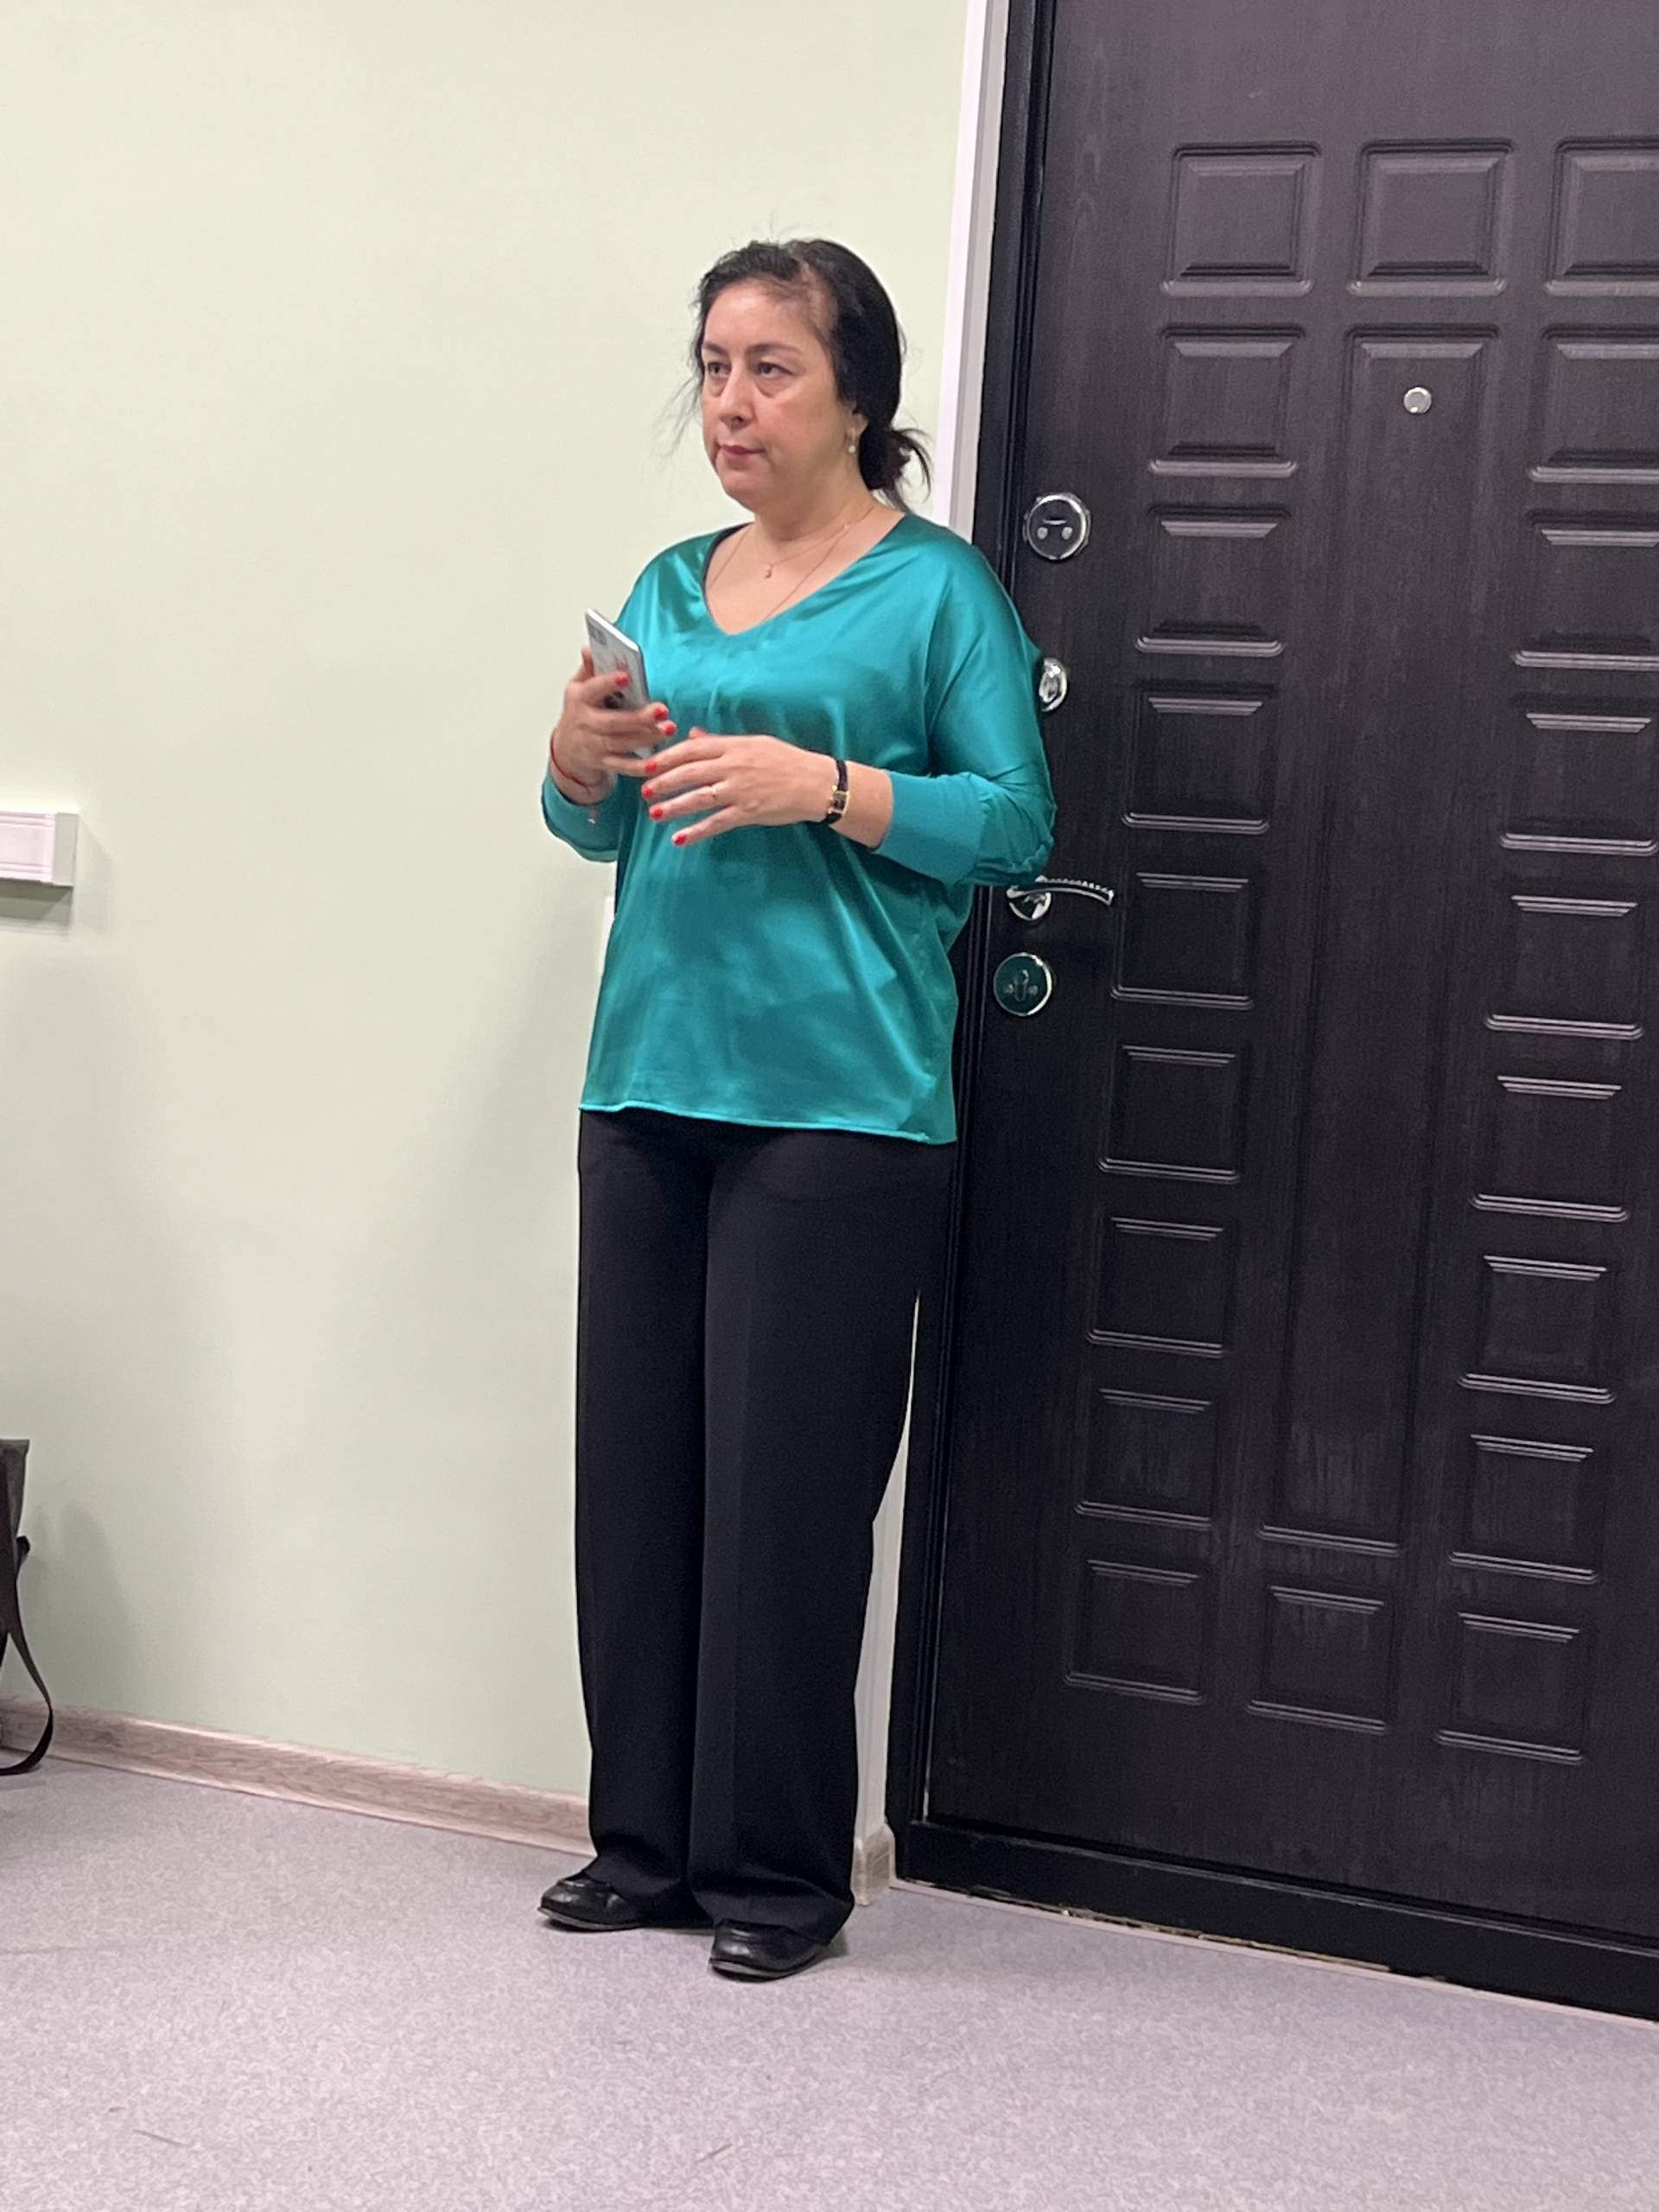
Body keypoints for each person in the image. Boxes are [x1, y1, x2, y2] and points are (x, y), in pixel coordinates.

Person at [537, 237, 1056, 1982]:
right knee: (636, 1490)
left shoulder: (938, 594)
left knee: (786, 1501)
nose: (730, 404)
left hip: (838, 1107)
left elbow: (1016, 825)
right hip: (647, 1083)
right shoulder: (669, 584)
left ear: (857, 398)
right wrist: (576, 754)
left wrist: (822, 784)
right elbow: (595, 826)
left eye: (769, 368)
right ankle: (642, 1845)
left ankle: (773, 1876)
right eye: (711, 367)